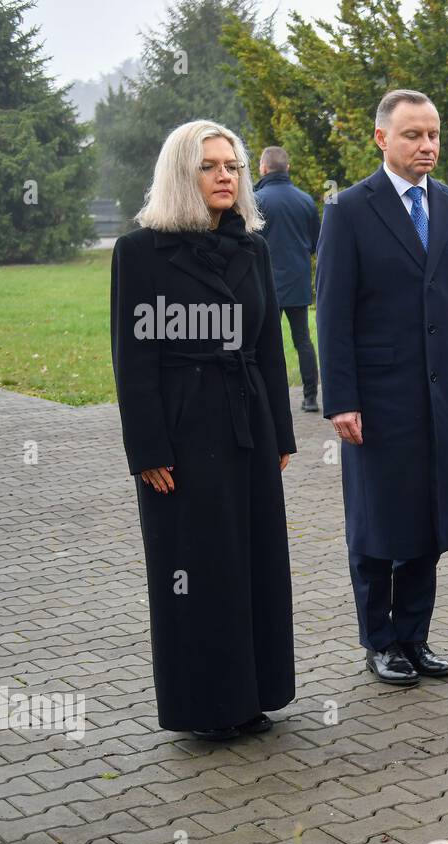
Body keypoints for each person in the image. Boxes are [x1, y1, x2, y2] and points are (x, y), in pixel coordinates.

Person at [109, 120, 297, 740]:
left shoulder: (254, 248)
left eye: (234, 166)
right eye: (210, 166)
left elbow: (269, 346)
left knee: (254, 559)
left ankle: (254, 694)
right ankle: (208, 708)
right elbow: (131, 361)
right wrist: (148, 448)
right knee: (197, 566)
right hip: (184, 433)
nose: (225, 176)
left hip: (248, 422)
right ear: (180, 175)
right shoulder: (140, 252)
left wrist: (282, 436)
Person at [316, 90, 448, 687]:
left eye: (433, 135)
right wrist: (340, 398)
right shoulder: (348, 210)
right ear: (381, 139)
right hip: (377, 399)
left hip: (441, 395)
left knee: (430, 517)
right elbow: (333, 312)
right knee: (377, 522)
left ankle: (415, 636)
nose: (427, 146)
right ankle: (380, 641)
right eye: (413, 135)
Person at [254, 146, 322, 412]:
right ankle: (310, 397)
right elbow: (317, 243)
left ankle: (267, 397)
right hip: (298, 281)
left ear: (263, 168)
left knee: (264, 342)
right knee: (302, 339)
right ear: (288, 168)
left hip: (264, 282)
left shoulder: (256, 200)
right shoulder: (305, 201)